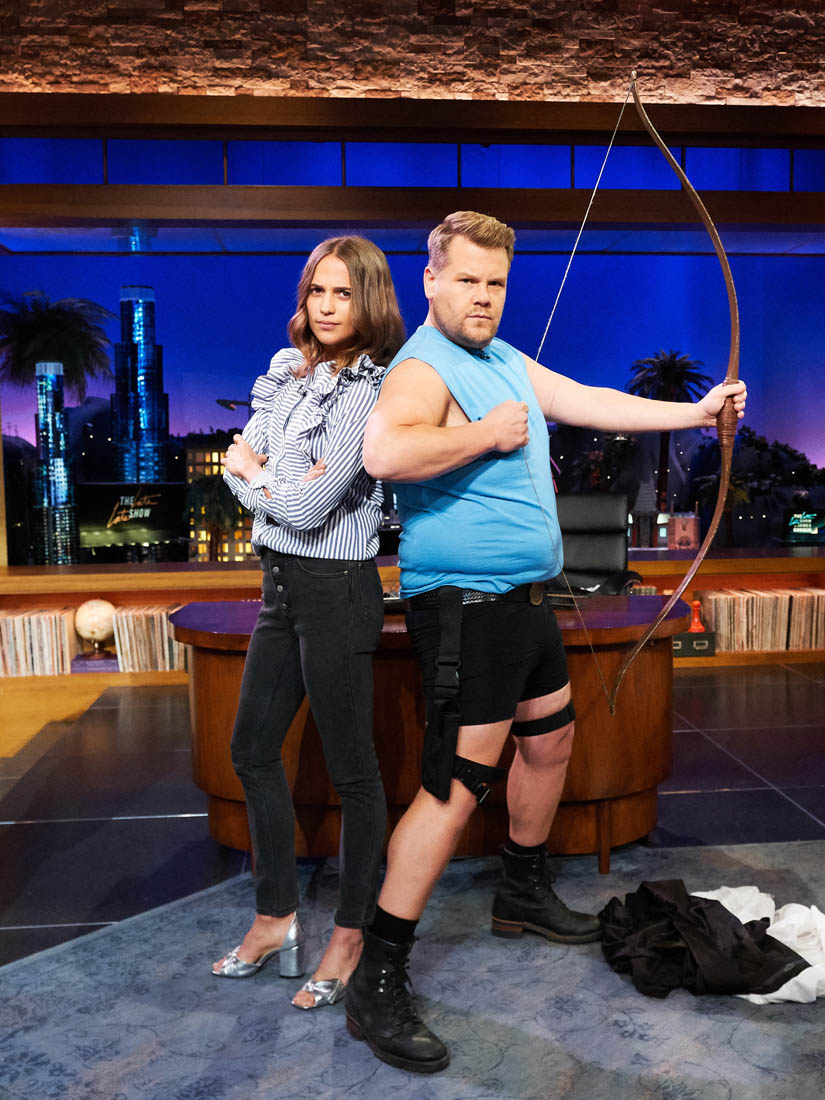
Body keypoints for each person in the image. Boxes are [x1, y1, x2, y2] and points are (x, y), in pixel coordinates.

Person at [345, 210, 747, 1071]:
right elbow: (384, 451)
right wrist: (484, 435)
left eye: (494, 282)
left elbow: (589, 400)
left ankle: (521, 892)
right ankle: (376, 978)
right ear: (430, 280)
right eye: (466, 279)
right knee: (453, 789)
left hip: (526, 603)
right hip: (466, 607)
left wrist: (696, 409)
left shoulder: (503, 360)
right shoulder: (422, 366)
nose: (482, 296)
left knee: (550, 741)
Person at [214, 236, 405, 1011]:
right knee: (250, 750)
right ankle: (275, 918)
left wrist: (263, 475)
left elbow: (303, 505)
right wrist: (268, 477)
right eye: (317, 291)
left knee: (354, 772)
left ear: (370, 300)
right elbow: (242, 470)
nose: (326, 307)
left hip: (338, 590)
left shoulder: (371, 389)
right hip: (281, 587)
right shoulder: (288, 373)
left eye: (343, 293)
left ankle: (351, 936)